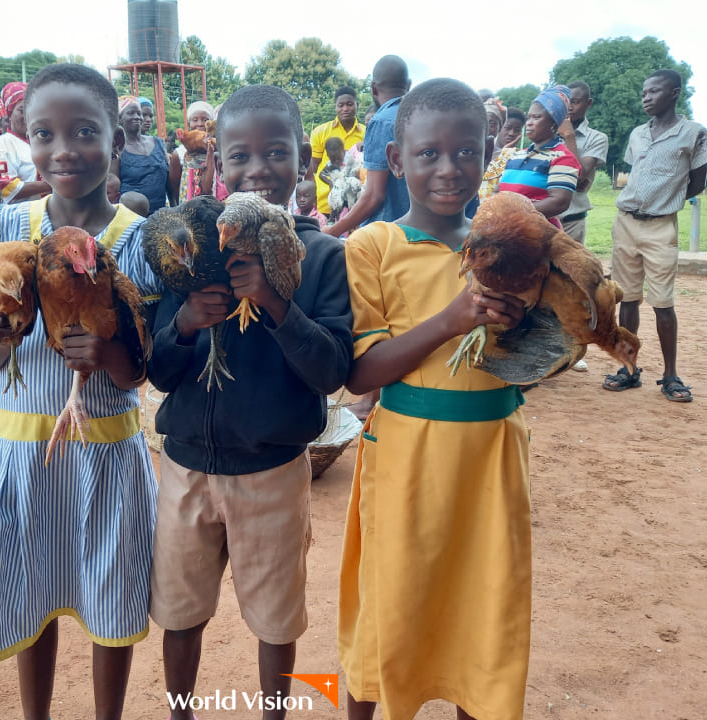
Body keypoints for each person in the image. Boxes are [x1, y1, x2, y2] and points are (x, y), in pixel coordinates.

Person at [0, 63, 162, 720]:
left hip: (107, 455)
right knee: (28, 595)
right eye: (45, 133)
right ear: (26, 138)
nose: (64, 149)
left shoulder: (135, 243)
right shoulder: (3, 232)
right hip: (23, 456)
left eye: (84, 132)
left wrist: (107, 355)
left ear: (118, 142)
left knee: (112, 596)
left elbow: (141, 374)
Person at [148, 84, 352, 720]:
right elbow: (157, 371)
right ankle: (180, 711)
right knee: (180, 613)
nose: (257, 169)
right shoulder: (187, 251)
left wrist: (275, 305)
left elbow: (331, 371)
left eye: (276, 153)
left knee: (275, 618)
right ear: (216, 167)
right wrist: (183, 323)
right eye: (238, 155)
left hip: (272, 471)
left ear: (304, 163)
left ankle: (274, 712)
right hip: (185, 467)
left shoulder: (319, 257)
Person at [338, 78, 531, 720]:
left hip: (491, 456)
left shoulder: (509, 247)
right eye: (428, 154)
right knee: (393, 602)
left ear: (487, 154)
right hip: (406, 460)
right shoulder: (373, 246)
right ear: (396, 160)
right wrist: (451, 321)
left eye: (466, 153)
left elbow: (534, 367)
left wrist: (533, 333)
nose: (449, 169)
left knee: (487, 603)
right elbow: (363, 375)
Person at [603, 69, 707, 403]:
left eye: (655, 91)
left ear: (675, 93)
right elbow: (636, 173)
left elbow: (698, 181)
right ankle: (629, 370)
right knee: (628, 299)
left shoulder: (693, 133)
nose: (646, 97)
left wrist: (667, 202)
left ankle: (671, 375)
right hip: (626, 223)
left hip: (661, 226)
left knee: (663, 303)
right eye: (644, 92)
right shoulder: (637, 134)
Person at [325, 55, 411, 239]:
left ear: (373, 88)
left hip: (386, 234)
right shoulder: (420, 116)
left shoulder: (380, 122)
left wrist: (332, 231)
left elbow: (374, 196)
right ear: (409, 85)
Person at [497, 85, 579, 225]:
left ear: (553, 123)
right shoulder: (516, 156)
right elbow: (497, 191)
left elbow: (559, 202)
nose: (529, 123)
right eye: (528, 118)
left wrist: (512, 215)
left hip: (537, 236)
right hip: (504, 230)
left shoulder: (563, 158)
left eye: (536, 117)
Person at [557, 81, 607, 245]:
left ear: (588, 103)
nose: (570, 107)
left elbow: (578, 175)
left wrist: (569, 136)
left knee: (571, 268)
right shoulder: (549, 133)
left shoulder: (597, 138)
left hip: (572, 221)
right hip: (544, 219)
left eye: (576, 102)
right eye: (566, 101)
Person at [0, 81, 50, 203]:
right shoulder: (2, 144)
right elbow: (4, 188)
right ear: (10, 113)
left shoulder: (43, 140)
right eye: (22, 110)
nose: (27, 116)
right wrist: (51, 185)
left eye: (32, 110)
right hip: (21, 218)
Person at [307, 85, 365, 217]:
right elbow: (313, 169)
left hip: (356, 204)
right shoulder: (320, 132)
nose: (345, 109)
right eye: (341, 105)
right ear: (335, 107)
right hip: (325, 203)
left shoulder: (367, 134)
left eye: (350, 104)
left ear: (357, 105)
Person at [113, 96, 174, 215]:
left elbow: (170, 183)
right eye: (130, 113)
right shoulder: (117, 148)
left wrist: (174, 207)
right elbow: (112, 186)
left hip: (160, 216)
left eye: (139, 113)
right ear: (120, 119)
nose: (136, 117)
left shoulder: (159, 143)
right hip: (130, 218)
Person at [170, 100, 228, 203]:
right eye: (195, 120)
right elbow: (174, 187)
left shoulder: (219, 147)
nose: (200, 124)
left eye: (205, 119)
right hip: (188, 205)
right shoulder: (179, 153)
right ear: (189, 123)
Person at [479, 105, 524, 201]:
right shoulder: (477, 151)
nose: (512, 133)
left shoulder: (518, 157)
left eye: (517, 130)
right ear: (499, 127)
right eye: (507, 128)